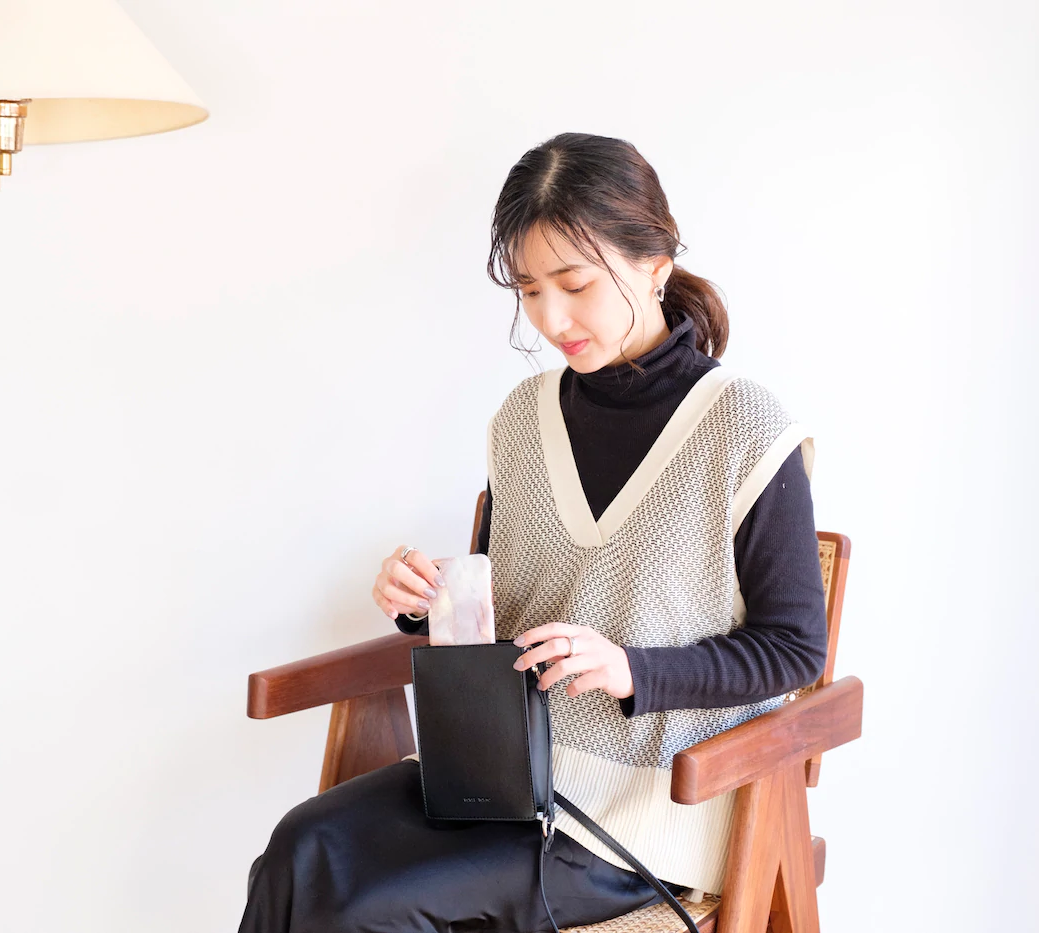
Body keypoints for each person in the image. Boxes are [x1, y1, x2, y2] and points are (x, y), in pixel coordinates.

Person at [237, 132, 828, 933]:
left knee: (364, 907)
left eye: (575, 284)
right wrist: (425, 601)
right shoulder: (521, 420)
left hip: (640, 816)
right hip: (498, 778)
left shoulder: (746, 427)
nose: (551, 318)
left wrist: (630, 668)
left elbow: (794, 650)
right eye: (528, 290)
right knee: (296, 850)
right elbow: (501, 617)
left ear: (655, 264)